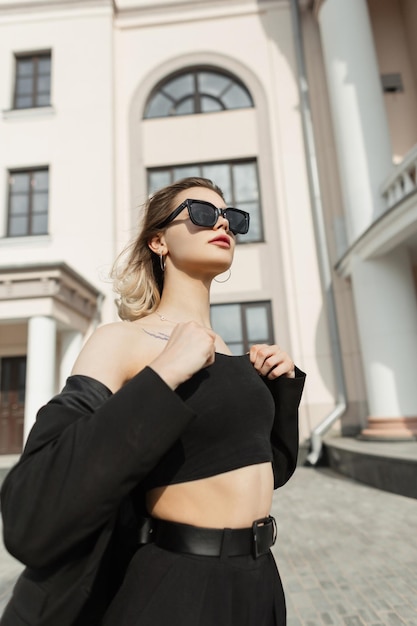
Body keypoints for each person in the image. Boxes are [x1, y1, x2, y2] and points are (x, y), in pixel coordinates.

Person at [0, 177, 305, 626]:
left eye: (232, 217)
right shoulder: (121, 341)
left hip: (260, 581)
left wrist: (278, 387)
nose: (221, 222)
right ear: (158, 241)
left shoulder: (231, 351)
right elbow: (38, 496)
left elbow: (263, 470)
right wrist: (165, 373)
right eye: (202, 213)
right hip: (181, 588)